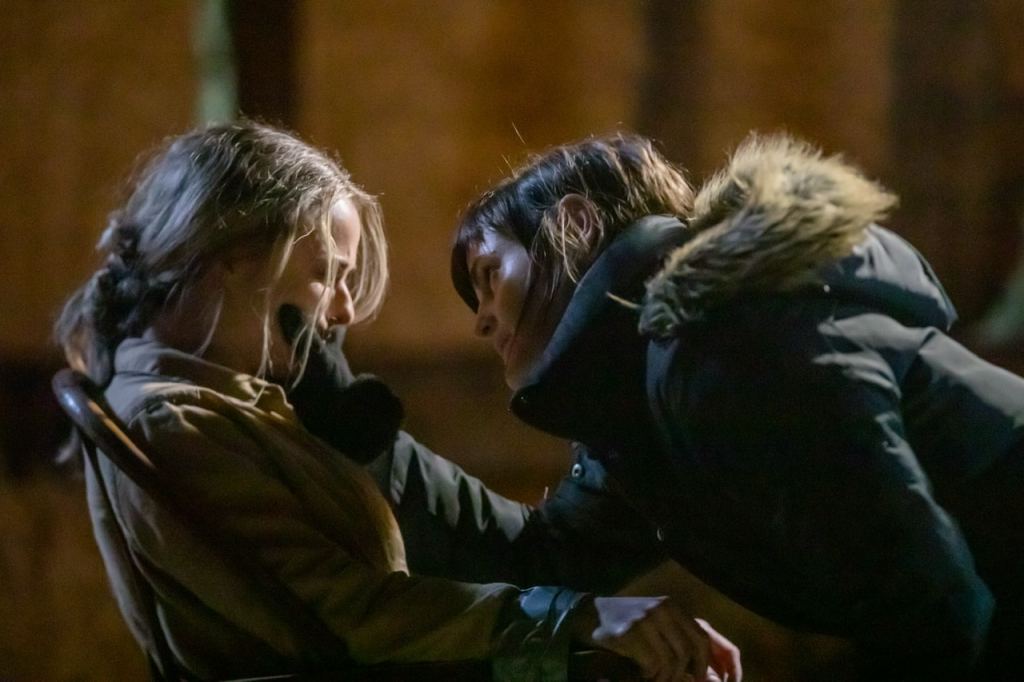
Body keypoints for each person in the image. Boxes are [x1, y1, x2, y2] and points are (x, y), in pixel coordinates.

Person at [54, 121, 729, 682]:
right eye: (328, 275)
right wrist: (574, 617)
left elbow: (519, 556)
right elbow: (357, 614)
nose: (345, 311)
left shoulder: (235, 405)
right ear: (233, 253)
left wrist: (357, 433)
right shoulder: (179, 421)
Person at [450, 131, 1024, 680]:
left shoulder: (717, 347)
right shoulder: (641, 402)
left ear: (575, 225)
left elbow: (925, 603)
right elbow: (545, 558)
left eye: (490, 275)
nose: (482, 321)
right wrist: (392, 451)